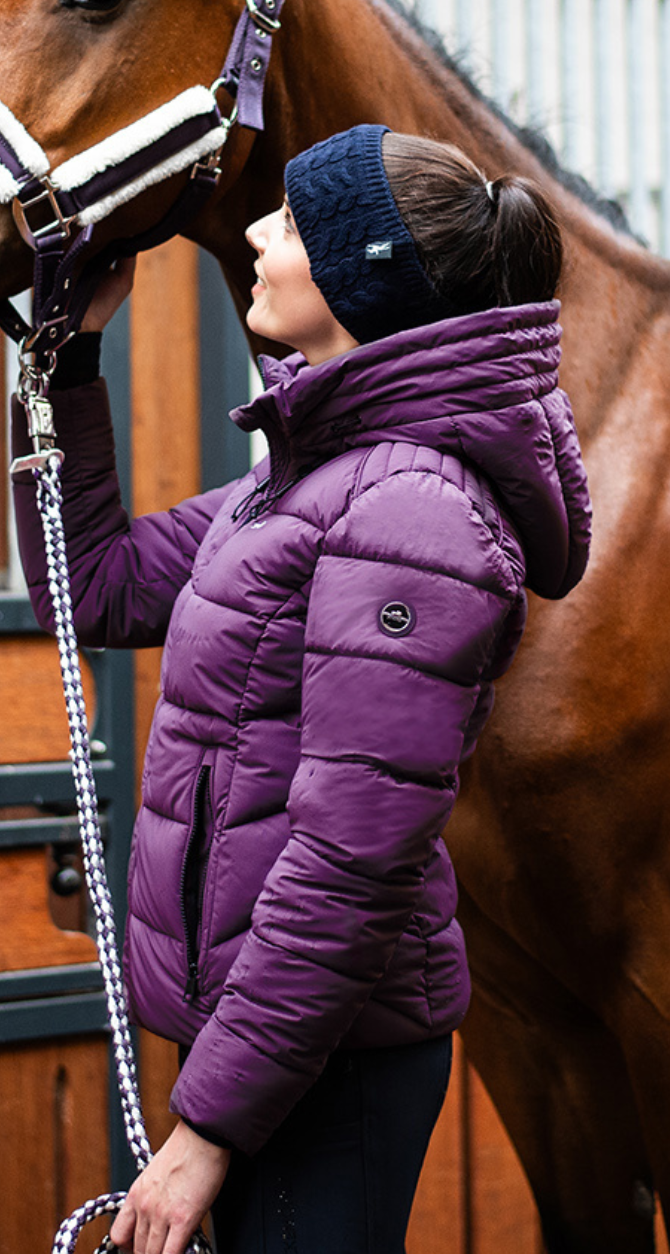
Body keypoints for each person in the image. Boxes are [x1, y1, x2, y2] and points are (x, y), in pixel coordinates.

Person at [10, 125, 591, 1254]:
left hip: (329, 1057)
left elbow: (351, 854)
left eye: (288, 218)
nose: (259, 235)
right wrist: (68, 365)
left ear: (357, 270)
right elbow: (103, 587)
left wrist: (209, 1129)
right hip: (265, 1033)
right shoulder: (307, 475)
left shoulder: (412, 515)